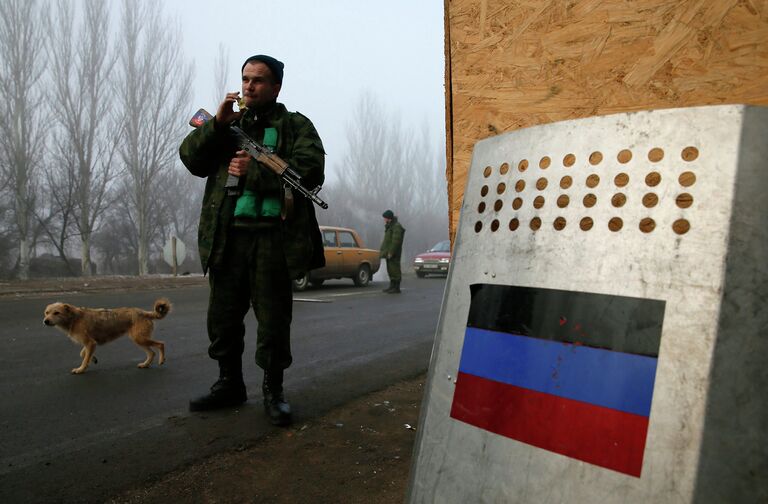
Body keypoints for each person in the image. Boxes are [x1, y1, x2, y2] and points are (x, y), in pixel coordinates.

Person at [179, 55, 325, 426]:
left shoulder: (295, 126)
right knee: (223, 319)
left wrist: (253, 172)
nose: (249, 86)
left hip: (273, 240)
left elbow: (308, 173)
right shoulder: (228, 124)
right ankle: (229, 384)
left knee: (274, 322)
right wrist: (216, 125)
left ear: (275, 87)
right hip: (228, 239)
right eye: (245, 79)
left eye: (258, 80)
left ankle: (273, 391)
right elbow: (192, 159)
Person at [379, 209, 405, 294]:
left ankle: (396, 288)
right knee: (390, 269)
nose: (384, 219)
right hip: (389, 252)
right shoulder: (390, 226)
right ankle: (392, 286)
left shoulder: (396, 226)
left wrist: (391, 252)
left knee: (395, 269)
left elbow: (396, 241)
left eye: (385, 218)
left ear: (388, 218)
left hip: (394, 252)